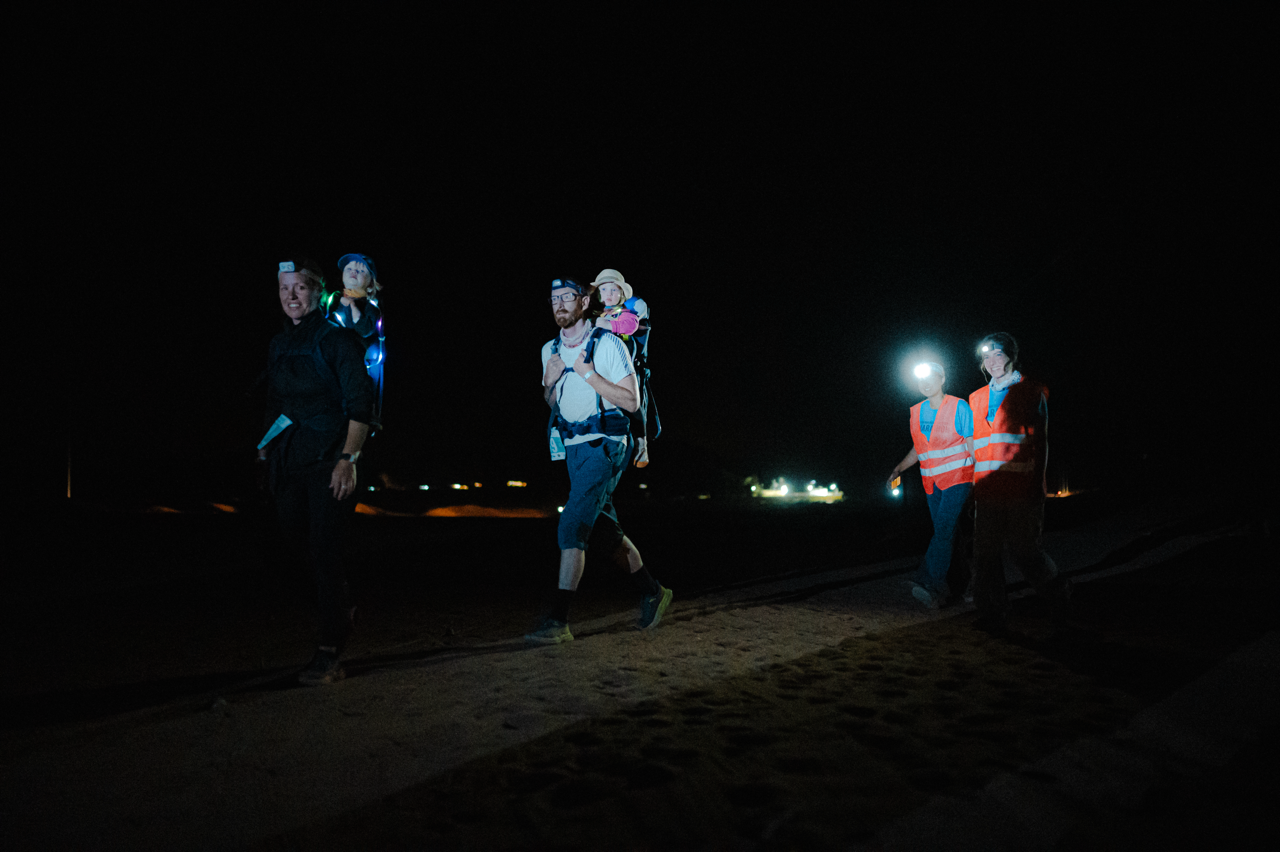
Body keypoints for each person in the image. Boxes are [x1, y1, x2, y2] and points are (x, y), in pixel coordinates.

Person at [526, 277, 672, 644]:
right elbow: (554, 401)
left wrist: (589, 374)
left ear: (584, 302)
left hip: (607, 444)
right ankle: (653, 592)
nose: (560, 304)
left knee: (572, 525)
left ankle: (558, 622)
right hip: (574, 447)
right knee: (604, 531)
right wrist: (548, 383)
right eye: (554, 299)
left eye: (567, 297)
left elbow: (631, 401)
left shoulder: (607, 343)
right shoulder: (549, 350)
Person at [257, 256, 375, 684]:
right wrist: (265, 446)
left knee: (325, 550)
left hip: (329, 459)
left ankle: (329, 652)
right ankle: (341, 608)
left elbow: (362, 406)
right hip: (290, 459)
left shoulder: (338, 341)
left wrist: (349, 460)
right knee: (293, 549)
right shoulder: (279, 344)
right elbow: (277, 402)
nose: (291, 295)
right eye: (284, 287)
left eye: (300, 287)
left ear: (317, 291)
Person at [967, 333, 1068, 633]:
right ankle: (993, 612)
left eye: (998, 354)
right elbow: (975, 447)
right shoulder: (976, 398)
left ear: (1012, 356)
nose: (992, 362)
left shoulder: (1031, 391)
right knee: (985, 555)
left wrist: (1038, 485)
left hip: (1021, 488)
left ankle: (1059, 598)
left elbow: (1041, 442)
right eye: (986, 357)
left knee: (1026, 551)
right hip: (987, 490)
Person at [887, 361, 975, 609]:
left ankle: (929, 584)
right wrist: (898, 468)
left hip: (958, 479)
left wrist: (981, 479)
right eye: (920, 380)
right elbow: (919, 449)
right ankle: (962, 585)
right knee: (945, 534)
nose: (925, 384)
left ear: (942, 379)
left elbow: (971, 444)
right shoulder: (917, 411)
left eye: (931, 378)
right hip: (932, 483)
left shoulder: (959, 406)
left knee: (944, 530)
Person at [589, 268, 659, 467]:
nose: (609, 294)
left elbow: (630, 326)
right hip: (602, 369)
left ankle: (641, 444)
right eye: (604, 290)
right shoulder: (596, 315)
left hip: (626, 369)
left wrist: (606, 324)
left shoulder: (626, 312)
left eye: (614, 290)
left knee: (633, 404)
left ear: (621, 294)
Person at [327, 253, 385, 429]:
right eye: (349, 268)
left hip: (358, 361)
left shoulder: (371, 308)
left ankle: (367, 416)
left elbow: (364, 329)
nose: (354, 272)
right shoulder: (333, 299)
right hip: (334, 358)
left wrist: (352, 306)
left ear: (370, 283)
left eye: (360, 271)